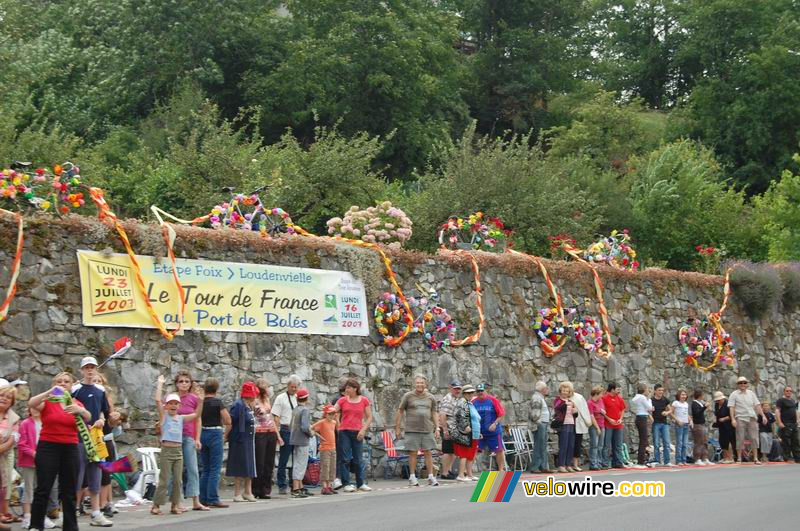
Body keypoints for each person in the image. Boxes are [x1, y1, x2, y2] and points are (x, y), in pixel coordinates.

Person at [28, 372, 92, 531]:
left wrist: (80, 410)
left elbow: (88, 417)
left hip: (70, 447)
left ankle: (70, 526)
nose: (63, 384)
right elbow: (32, 402)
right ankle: (36, 525)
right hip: (48, 446)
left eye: (66, 381)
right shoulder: (49, 401)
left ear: (71, 385)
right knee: (44, 487)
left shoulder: (76, 402)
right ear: (54, 384)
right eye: (59, 381)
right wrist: (50, 392)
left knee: (69, 489)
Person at [71, 356, 112, 527]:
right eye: (86, 367)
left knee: (96, 476)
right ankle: (71, 512)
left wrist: (101, 420)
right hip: (79, 439)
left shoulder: (100, 390)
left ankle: (96, 513)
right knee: (77, 477)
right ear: (81, 370)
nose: (89, 370)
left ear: (96, 369)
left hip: (95, 439)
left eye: (92, 367)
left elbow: (103, 411)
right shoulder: (75, 389)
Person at [151, 376, 201, 516]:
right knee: (165, 479)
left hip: (178, 450)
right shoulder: (164, 417)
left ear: (179, 406)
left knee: (178, 480)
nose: (173, 405)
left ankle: (174, 505)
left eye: (176, 404)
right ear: (166, 406)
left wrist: (201, 400)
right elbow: (157, 400)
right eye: (170, 403)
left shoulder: (180, 418)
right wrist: (160, 384)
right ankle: (156, 505)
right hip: (167, 450)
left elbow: (197, 415)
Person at [18, 404, 59, 530]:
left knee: (42, 488)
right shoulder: (25, 423)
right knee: (28, 488)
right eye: (32, 407)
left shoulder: (47, 423)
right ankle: (27, 516)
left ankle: (41, 516)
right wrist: (35, 453)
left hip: (45, 461)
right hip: (29, 461)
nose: (35, 410)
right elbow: (22, 444)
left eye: (38, 408)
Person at [395, 375, 440, 487]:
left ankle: (431, 476)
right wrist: (397, 428)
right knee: (413, 453)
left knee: (428, 452)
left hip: (427, 429)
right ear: (414, 384)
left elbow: (434, 412)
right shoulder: (408, 396)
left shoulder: (431, 397)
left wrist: (437, 427)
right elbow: (400, 411)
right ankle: (412, 477)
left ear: (426, 384)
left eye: (422, 383)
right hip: (412, 429)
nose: (420, 385)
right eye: (418, 383)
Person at [171, 370, 206, 511]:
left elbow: (198, 419)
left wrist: (197, 438)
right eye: (181, 381)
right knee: (177, 471)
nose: (184, 384)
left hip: (189, 436)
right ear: (176, 383)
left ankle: (196, 501)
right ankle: (178, 502)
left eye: (187, 381)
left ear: (191, 384)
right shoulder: (171, 398)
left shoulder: (194, 398)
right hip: (174, 438)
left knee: (193, 469)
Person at [335, 378, 373, 493]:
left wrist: (363, 430)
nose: (346, 390)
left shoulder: (364, 400)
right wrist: (338, 423)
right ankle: (346, 483)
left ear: (355, 388)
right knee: (345, 459)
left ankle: (360, 483)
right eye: (346, 387)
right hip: (344, 432)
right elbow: (333, 411)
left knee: (358, 459)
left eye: (348, 387)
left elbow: (369, 417)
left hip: (358, 432)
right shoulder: (342, 400)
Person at [198, 378, 231, 508]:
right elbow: (228, 420)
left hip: (202, 433)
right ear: (216, 390)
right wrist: (225, 435)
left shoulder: (201, 402)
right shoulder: (217, 403)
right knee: (215, 468)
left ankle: (203, 498)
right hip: (215, 433)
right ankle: (213, 498)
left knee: (205, 468)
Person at [227, 382, 258, 502]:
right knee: (239, 466)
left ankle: (248, 491)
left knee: (249, 466)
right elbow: (231, 421)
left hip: (248, 439)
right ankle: (237, 492)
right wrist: (227, 436)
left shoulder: (248, 405)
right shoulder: (238, 405)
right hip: (239, 439)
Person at [272, 375, 301, 495]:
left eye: (296, 387)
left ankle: (293, 484)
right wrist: (278, 432)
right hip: (285, 429)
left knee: (296, 459)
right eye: (292, 387)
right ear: (288, 386)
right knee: (284, 459)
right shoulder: (281, 398)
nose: (294, 389)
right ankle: (282, 484)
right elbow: (276, 416)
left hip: (296, 430)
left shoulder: (298, 398)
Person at [252, 378, 280, 500]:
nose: (269, 388)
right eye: (267, 386)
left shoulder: (268, 400)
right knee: (260, 462)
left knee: (269, 462)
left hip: (271, 432)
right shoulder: (254, 401)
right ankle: (256, 488)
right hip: (259, 432)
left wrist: (277, 434)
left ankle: (266, 488)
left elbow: (271, 418)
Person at [728, 376, 766, 464]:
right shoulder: (734, 394)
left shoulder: (751, 393)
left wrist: (763, 415)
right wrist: (733, 419)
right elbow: (731, 408)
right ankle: (739, 458)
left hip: (752, 417)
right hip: (740, 417)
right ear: (737, 384)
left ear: (747, 384)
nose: (743, 384)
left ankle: (756, 458)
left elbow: (757, 405)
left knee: (754, 437)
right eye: (740, 383)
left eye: (744, 382)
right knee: (740, 438)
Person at [472, 384, 506, 472]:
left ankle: (501, 469)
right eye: (478, 391)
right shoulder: (474, 402)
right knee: (474, 450)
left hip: (493, 432)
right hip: (479, 432)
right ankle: (468, 471)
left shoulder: (492, 400)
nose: (480, 393)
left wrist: (495, 423)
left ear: (485, 391)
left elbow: (501, 414)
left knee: (499, 450)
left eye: (481, 391)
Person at [0, 384, 20, 527]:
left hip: (5, 455)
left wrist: (2, 448)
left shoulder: (14, 418)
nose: (4, 399)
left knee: (4, 485)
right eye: (2, 395)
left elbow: (14, 438)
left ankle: (3, 512)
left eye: (8, 397)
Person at [452, 385, 480, 481]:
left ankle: (470, 474)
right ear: (464, 393)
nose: (470, 394)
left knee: (471, 454)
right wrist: (465, 426)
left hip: (474, 432)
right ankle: (461, 475)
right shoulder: (462, 402)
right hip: (465, 432)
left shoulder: (470, 403)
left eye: (472, 393)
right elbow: (461, 415)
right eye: (468, 393)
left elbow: (475, 418)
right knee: (464, 453)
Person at [289, 388, 312, 499]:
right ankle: (296, 488)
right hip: (303, 440)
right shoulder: (305, 410)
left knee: (297, 462)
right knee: (301, 464)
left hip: (295, 438)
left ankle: (300, 486)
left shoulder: (295, 409)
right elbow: (304, 427)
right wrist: (311, 432)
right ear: (306, 399)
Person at [437, 379, 461, 480]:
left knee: (452, 451)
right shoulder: (448, 399)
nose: (457, 390)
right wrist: (445, 430)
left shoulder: (454, 398)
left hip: (453, 428)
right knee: (447, 451)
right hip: (448, 428)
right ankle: (445, 473)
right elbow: (442, 415)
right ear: (450, 388)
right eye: (455, 388)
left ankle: (448, 471)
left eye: (459, 389)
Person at [311, 405, 338, 495]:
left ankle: (329, 486)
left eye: (333, 414)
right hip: (325, 448)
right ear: (325, 414)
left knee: (332, 467)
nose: (331, 415)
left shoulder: (334, 422)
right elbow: (311, 428)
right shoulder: (322, 422)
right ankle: (324, 486)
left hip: (333, 447)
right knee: (325, 467)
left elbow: (339, 428)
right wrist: (320, 437)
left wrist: (337, 419)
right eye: (330, 414)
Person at [528, 381, 552, 473]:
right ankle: (535, 467)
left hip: (543, 423)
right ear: (542, 389)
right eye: (546, 388)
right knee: (539, 445)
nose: (547, 389)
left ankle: (543, 466)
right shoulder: (537, 398)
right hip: (540, 424)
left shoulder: (540, 397)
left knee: (543, 445)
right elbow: (534, 414)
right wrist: (539, 423)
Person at [553, 382, 577, 473]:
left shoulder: (571, 401)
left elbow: (575, 415)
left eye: (567, 391)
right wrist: (565, 404)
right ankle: (561, 465)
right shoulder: (558, 400)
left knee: (570, 445)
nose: (565, 392)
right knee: (563, 445)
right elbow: (557, 408)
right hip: (563, 424)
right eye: (563, 390)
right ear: (560, 391)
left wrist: (575, 411)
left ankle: (568, 464)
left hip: (571, 423)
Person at [601, 382, 626, 469]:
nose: (619, 391)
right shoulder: (604, 398)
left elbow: (622, 409)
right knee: (607, 445)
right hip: (608, 425)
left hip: (618, 425)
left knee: (618, 445)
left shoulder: (619, 399)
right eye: (617, 389)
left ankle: (618, 462)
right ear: (612, 389)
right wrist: (609, 419)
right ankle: (605, 463)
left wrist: (621, 419)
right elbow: (602, 411)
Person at [630, 383, 653, 468]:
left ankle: (642, 459)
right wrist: (649, 399)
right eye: (647, 390)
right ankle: (641, 461)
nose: (648, 391)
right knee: (643, 440)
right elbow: (650, 408)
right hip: (642, 418)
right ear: (644, 390)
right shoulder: (643, 397)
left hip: (638, 417)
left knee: (642, 439)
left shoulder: (636, 397)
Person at [775, 386, 800, 463]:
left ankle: (797, 458)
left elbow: (795, 411)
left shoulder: (792, 401)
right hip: (786, 424)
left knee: (796, 441)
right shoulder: (781, 400)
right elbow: (777, 411)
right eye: (787, 391)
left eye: (790, 391)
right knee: (786, 442)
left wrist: (798, 420)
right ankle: (788, 458)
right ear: (784, 391)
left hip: (794, 424)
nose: (789, 392)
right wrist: (779, 422)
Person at [571, 388, 594, 472]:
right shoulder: (564, 398)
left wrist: (587, 421)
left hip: (578, 423)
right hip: (568, 424)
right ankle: (567, 464)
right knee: (568, 445)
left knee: (577, 444)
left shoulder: (579, 397)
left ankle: (575, 464)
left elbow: (584, 409)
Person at [651, 384, 673, 466]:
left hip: (664, 423)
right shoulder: (651, 400)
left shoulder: (665, 400)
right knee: (656, 443)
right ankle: (657, 460)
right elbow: (648, 411)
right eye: (659, 390)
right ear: (655, 391)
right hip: (655, 423)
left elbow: (671, 410)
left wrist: (667, 412)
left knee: (666, 443)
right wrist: (650, 412)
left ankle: (667, 461)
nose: (661, 392)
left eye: (662, 390)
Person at [713, 391, 735, 464]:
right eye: (717, 400)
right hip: (721, 426)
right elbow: (717, 413)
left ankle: (730, 457)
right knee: (722, 441)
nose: (718, 401)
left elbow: (732, 415)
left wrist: (724, 418)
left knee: (728, 442)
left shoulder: (728, 404)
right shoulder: (716, 405)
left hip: (728, 426)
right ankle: (725, 457)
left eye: (719, 400)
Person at [690, 390, 712, 465]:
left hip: (702, 424)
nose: (703, 397)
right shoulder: (694, 403)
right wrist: (704, 407)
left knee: (705, 442)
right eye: (702, 395)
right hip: (697, 425)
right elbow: (697, 413)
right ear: (699, 395)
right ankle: (697, 458)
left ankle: (705, 457)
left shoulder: (700, 403)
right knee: (699, 442)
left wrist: (706, 407)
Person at [670, 389, 691, 466]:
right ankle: (678, 460)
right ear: (679, 395)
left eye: (685, 395)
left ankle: (684, 459)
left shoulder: (686, 404)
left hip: (686, 424)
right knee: (679, 443)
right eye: (682, 394)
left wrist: (690, 420)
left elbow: (686, 414)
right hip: (679, 424)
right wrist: (677, 420)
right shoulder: (675, 403)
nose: (683, 396)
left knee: (685, 444)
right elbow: (671, 412)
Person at [587, 386, 605, 470]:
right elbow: (591, 416)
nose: (602, 395)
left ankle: (599, 462)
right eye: (601, 394)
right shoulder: (590, 403)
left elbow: (603, 410)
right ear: (597, 394)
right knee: (594, 445)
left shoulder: (600, 401)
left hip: (602, 424)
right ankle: (593, 463)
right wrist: (597, 427)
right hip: (594, 426)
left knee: (600, 445)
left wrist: (603, 412)